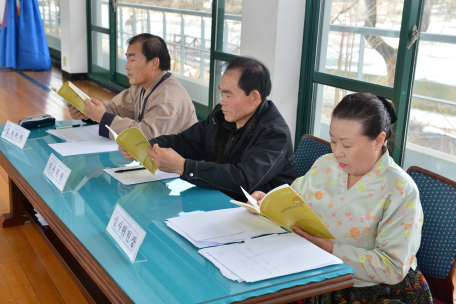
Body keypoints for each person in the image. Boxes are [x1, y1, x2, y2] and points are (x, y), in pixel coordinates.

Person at [252, 93, 432, 303]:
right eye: (333, 140)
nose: (337, 152)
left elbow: (393, 267)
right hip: (310, 273)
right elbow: (292, 202)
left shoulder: (400, 189)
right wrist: (265, 202)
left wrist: (330, 249)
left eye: (346, 145)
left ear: (379, 140)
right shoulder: (324, 165)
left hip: (371, 291)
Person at [120, 56, 297, 201]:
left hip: (261, 219)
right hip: (218, 199)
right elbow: (187, 142)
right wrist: (146, 146)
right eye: (221, 93)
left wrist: (184, 167)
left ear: (254, 98)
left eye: (228, 94)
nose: (222, 101)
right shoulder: (222, 115)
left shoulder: (274, 134)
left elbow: (242, 181)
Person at [67, 33, 197, 140]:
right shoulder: (142, 86)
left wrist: (101, 116)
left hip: (180, 166)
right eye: (127, 59)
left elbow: (147, 136)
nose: (127, 66)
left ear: (154, 63)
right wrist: (89, 111)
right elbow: (117, 108)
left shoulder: (168, 97)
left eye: (132, 60)